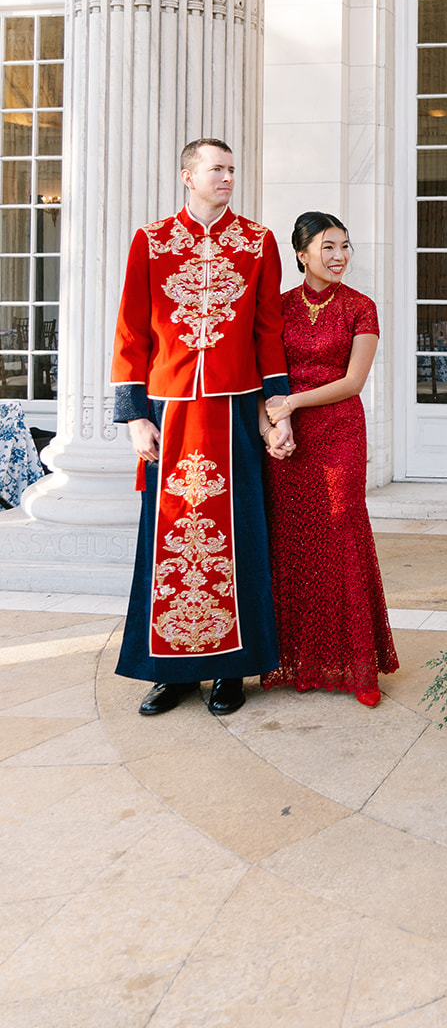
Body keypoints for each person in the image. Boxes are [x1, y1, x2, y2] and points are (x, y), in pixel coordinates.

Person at [111, 138, 294, 716]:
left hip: (236, 408)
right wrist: (134, 415)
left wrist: (277, 408)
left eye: (232, 169)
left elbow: (268, 331)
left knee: (238, 533)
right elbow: (131, 329)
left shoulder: (258, 241)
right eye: (217, 169)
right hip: (168, 409)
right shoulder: (151, 240)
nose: (228, 177)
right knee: (168, 536)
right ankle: (172, 673)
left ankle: (232, 670)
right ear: (188, 176)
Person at [261, 212, 397, 705]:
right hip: (288, 439)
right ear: (301, 254)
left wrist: (292, 403)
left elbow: (353, 382)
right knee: (291, 540)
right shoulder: (277, 308)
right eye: (328, 247)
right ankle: (296, 660)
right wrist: (272, 427)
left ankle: (358, 668)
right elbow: (260, 378)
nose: (339, 256)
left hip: (340, 434)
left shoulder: (361, 307)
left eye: (344, 246)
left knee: (342, 534)